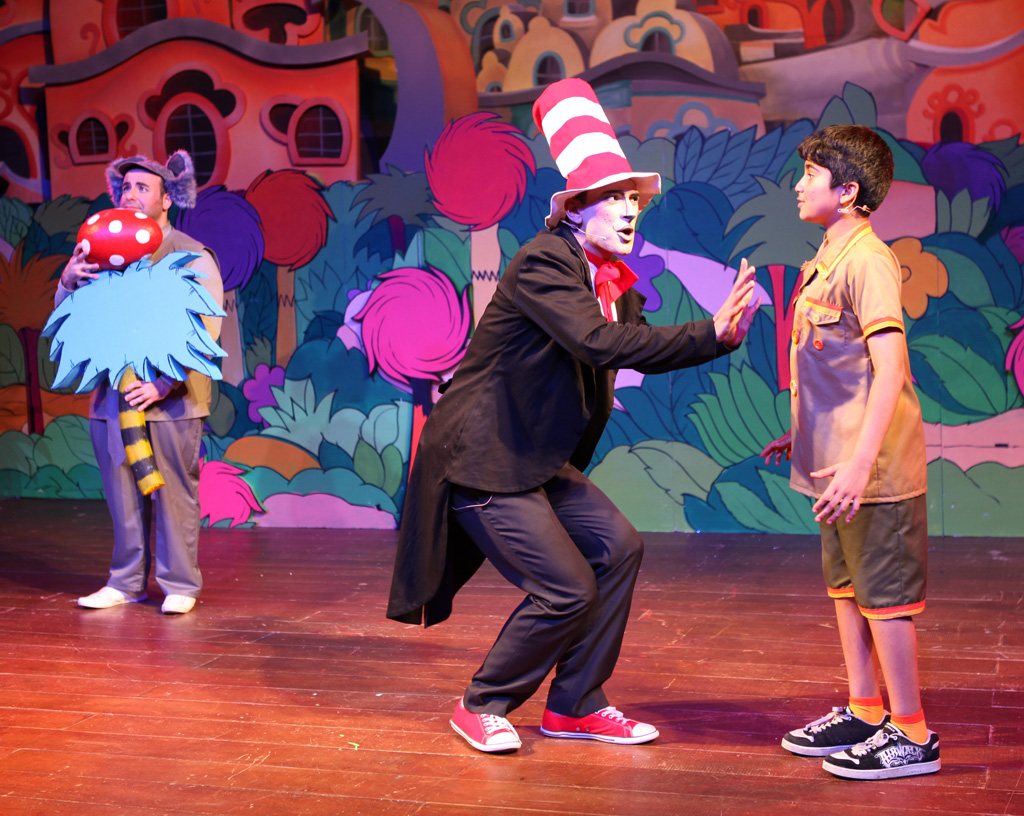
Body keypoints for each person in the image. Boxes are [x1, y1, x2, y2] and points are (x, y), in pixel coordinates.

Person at [387, 78, 760, 753]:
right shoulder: (544, 262)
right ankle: (482, 702)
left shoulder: (610, 280)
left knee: (619, 548)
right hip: (485, 457)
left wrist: (719, 338)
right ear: (577, 210)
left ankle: (575, 704)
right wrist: (708, 330)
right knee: (565, 588)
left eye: (634, 199)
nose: (629, 210)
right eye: (614, 198)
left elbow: (630, 345)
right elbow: (598, 343)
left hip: (533, 458)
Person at [760, 125, 940, 779]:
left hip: (872, 472)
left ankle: (912, 734)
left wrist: (862, 462)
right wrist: (802, 431)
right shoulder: (828, 257)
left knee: (885, 599)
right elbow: (836, 364)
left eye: (811, 174)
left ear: (847, 190)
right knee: (848, 591)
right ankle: (866, 711)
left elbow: (890, 369)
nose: (799, 185)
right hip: (832, 468)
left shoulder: (868, 260)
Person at [58, 150, 223, 616]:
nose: (129, 195)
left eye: (142, 188)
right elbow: (69, 317)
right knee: (121, 491)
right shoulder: (99, 252)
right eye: (125, 187)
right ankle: (126, 581)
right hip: (114, 394)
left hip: (172, 398)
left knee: (172, 490)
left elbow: (207, 327)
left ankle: (179, 584)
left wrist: (164, 383)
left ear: (166, 199)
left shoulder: (190, 252)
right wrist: (68, 280)